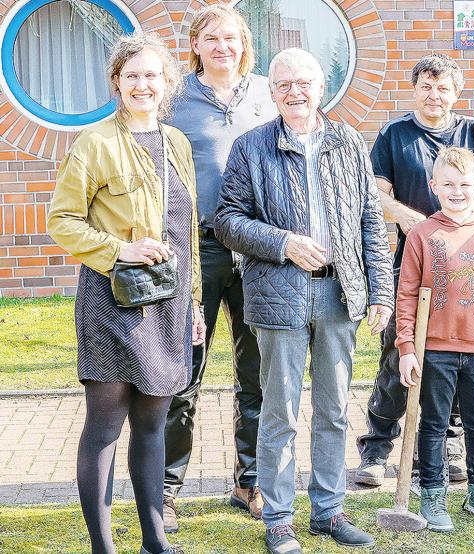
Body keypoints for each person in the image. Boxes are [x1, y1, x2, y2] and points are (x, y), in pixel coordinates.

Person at [214, 48, 393, 553]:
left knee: (335, 409)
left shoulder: (349, 142)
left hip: (340, 293)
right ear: (272, 93)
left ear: (322, 87)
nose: (295, 91)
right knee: (281, 412)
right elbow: (228, 221)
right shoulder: (251, 147)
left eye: (304, 82)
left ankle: (329, 511)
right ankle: (278, 518)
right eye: (284, 83)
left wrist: (379, 291)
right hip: (278, 294)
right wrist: (284, 243)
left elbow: (369, 223)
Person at [47, 32, 205, 554]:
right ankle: (102, 546)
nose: (143, 84)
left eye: (152, 75)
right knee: (104, 427)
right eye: (132, 75)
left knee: (154, 424)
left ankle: (155, 541)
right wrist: (121, 249)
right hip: (111, 301)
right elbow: (63, 221)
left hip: (170, 304)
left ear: (167, 84)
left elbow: (189, 232)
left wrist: (197, 303)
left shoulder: (177, 143)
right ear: (117, 82)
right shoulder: (94, 143)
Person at [355, 53, 474, 487]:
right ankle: (378, 447)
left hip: (464, 266)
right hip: (412, 262)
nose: (434, 94)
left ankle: (444, 446)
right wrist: (417, 222)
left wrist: (455, 217)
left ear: (455, 93)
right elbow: (374, 194)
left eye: (443, 88)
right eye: (426, 86)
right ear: (415, 89)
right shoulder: (394, 135)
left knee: (456, 354)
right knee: (398, 354)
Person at [162, 4, 278, 530]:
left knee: (255, 373)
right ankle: (166, 488)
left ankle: (249, 482)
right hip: (199, 247)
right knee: (184, 369)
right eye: (211, 38)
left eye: (230, 38)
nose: (222, 47)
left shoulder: (265, 94)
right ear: (196, 45)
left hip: (255, 250)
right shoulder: (174, 98)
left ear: (244, 45)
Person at [395, 147, 474, 532]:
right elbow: (407, 293)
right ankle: (432, 494)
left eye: (464, 184)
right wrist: (407, 348)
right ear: (434, 187)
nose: (457, 191)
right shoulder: (422, 234)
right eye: (448, 184)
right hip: (436, 350)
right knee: (433, 423)